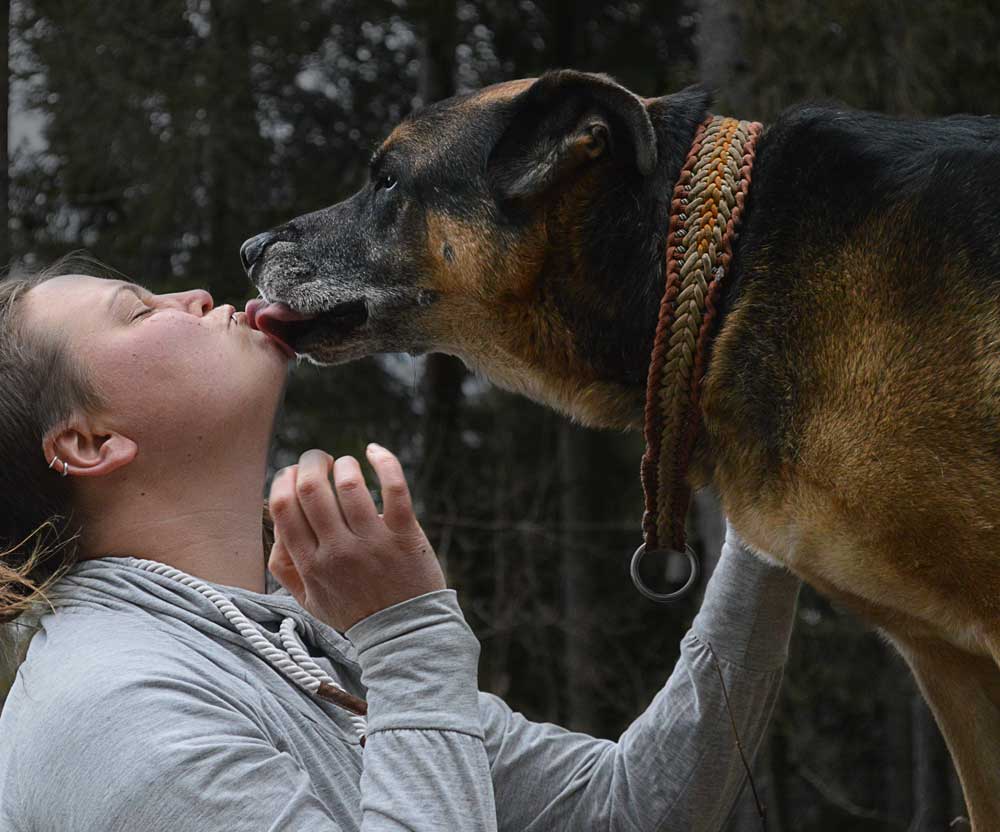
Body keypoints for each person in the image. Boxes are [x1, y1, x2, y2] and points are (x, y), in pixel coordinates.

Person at [0, 257, 801, 831]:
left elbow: (631, 808)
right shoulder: (118, 712)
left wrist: (773, 491)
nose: (194, 295)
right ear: (88, 443)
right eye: (139, 311)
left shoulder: (300, 649)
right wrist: (410, 642)